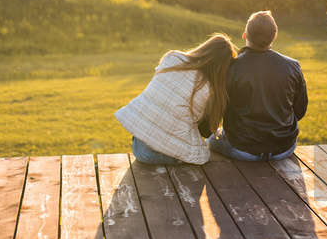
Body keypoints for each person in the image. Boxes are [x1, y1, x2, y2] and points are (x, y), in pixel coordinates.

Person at [114, 34, 237, 165]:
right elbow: (206, 132)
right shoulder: (212, 89)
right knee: (203, 150)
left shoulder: (172, 57)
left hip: (141, 151)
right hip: (174, 156)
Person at [207, 11, 308, 161]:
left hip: (242, 149)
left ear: (245, 35)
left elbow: (218, 109)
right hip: (284, 148)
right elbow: (300, 110)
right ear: (274, 36)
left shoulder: (230, 68)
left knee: (209, 141)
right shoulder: (293, 66)